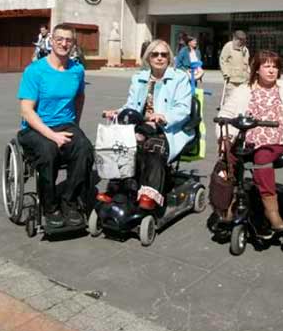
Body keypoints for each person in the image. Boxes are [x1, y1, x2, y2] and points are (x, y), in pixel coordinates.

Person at [218, 49, 283, 232]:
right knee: (228, 157)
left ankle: (271, 210)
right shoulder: (243, 90)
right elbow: (225, 114)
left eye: (275, 67)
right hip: (246, 137)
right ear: (257, 69)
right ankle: (229, 202)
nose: (272, 71)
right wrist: (224, 138)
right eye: (266, 66)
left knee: (262, 158)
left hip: (276, 138)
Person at [17, 23, 94, 229]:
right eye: (59, 39)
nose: (63, 43)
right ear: (51, 41)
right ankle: (50, 207)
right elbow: (26, 110)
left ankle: (69, 201)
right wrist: (52, 135)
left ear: (73, 44)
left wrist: (75, 125)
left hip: (65, 124)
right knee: (48, 151)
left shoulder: (77, 70)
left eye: (68, 40)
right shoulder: (35, 71)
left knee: (85, 148)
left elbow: (79, 97)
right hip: (36, 128)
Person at [101, 39, 193, 210]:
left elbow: (183, 109)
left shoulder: (179, 78)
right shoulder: (139, 78)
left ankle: (149, 193)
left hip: (167, 128)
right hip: (140, 126)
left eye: (163, 55)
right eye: (155, 54)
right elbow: (131, 105)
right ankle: (117, 189)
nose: (159, 58)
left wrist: (163, 117)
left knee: (152, 146)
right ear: (148, 57)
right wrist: (117, 112)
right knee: (119, 144)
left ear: (169, 58)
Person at [219, 30, 250, 99]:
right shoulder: (228, 46)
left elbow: (246, 63)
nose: (242, 41)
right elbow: (223, 60)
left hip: (244, 79)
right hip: (232, 79)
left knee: (242, 98)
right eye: (240, 39)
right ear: (235, 38)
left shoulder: (245, 49)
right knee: (230, 97)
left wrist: (249, 74)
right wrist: (225, 73)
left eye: (243, 40)